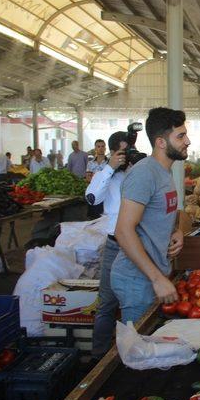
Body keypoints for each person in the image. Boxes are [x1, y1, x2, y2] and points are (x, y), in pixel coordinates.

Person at [110, 107, 188, 323]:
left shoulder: (164, 172)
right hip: (137, 278)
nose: (187, 141)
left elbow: (157, 215)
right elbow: (123, 230)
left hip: (152, 274)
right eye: (180, 136)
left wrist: (176, 231)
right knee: (139, 350)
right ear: (161, 142)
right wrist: (156, 279)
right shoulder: (144, 173)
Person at [86, 131, 130, 357]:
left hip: (137, 244)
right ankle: (98, 355)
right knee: (107, 302)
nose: (125, 156)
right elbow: (92, 198)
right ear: (113, 153)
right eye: (121, 152)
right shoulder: (104, 174)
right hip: (115, 244)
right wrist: (110, 168)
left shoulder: (135, 172)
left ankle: (132, 350)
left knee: (135, 301)